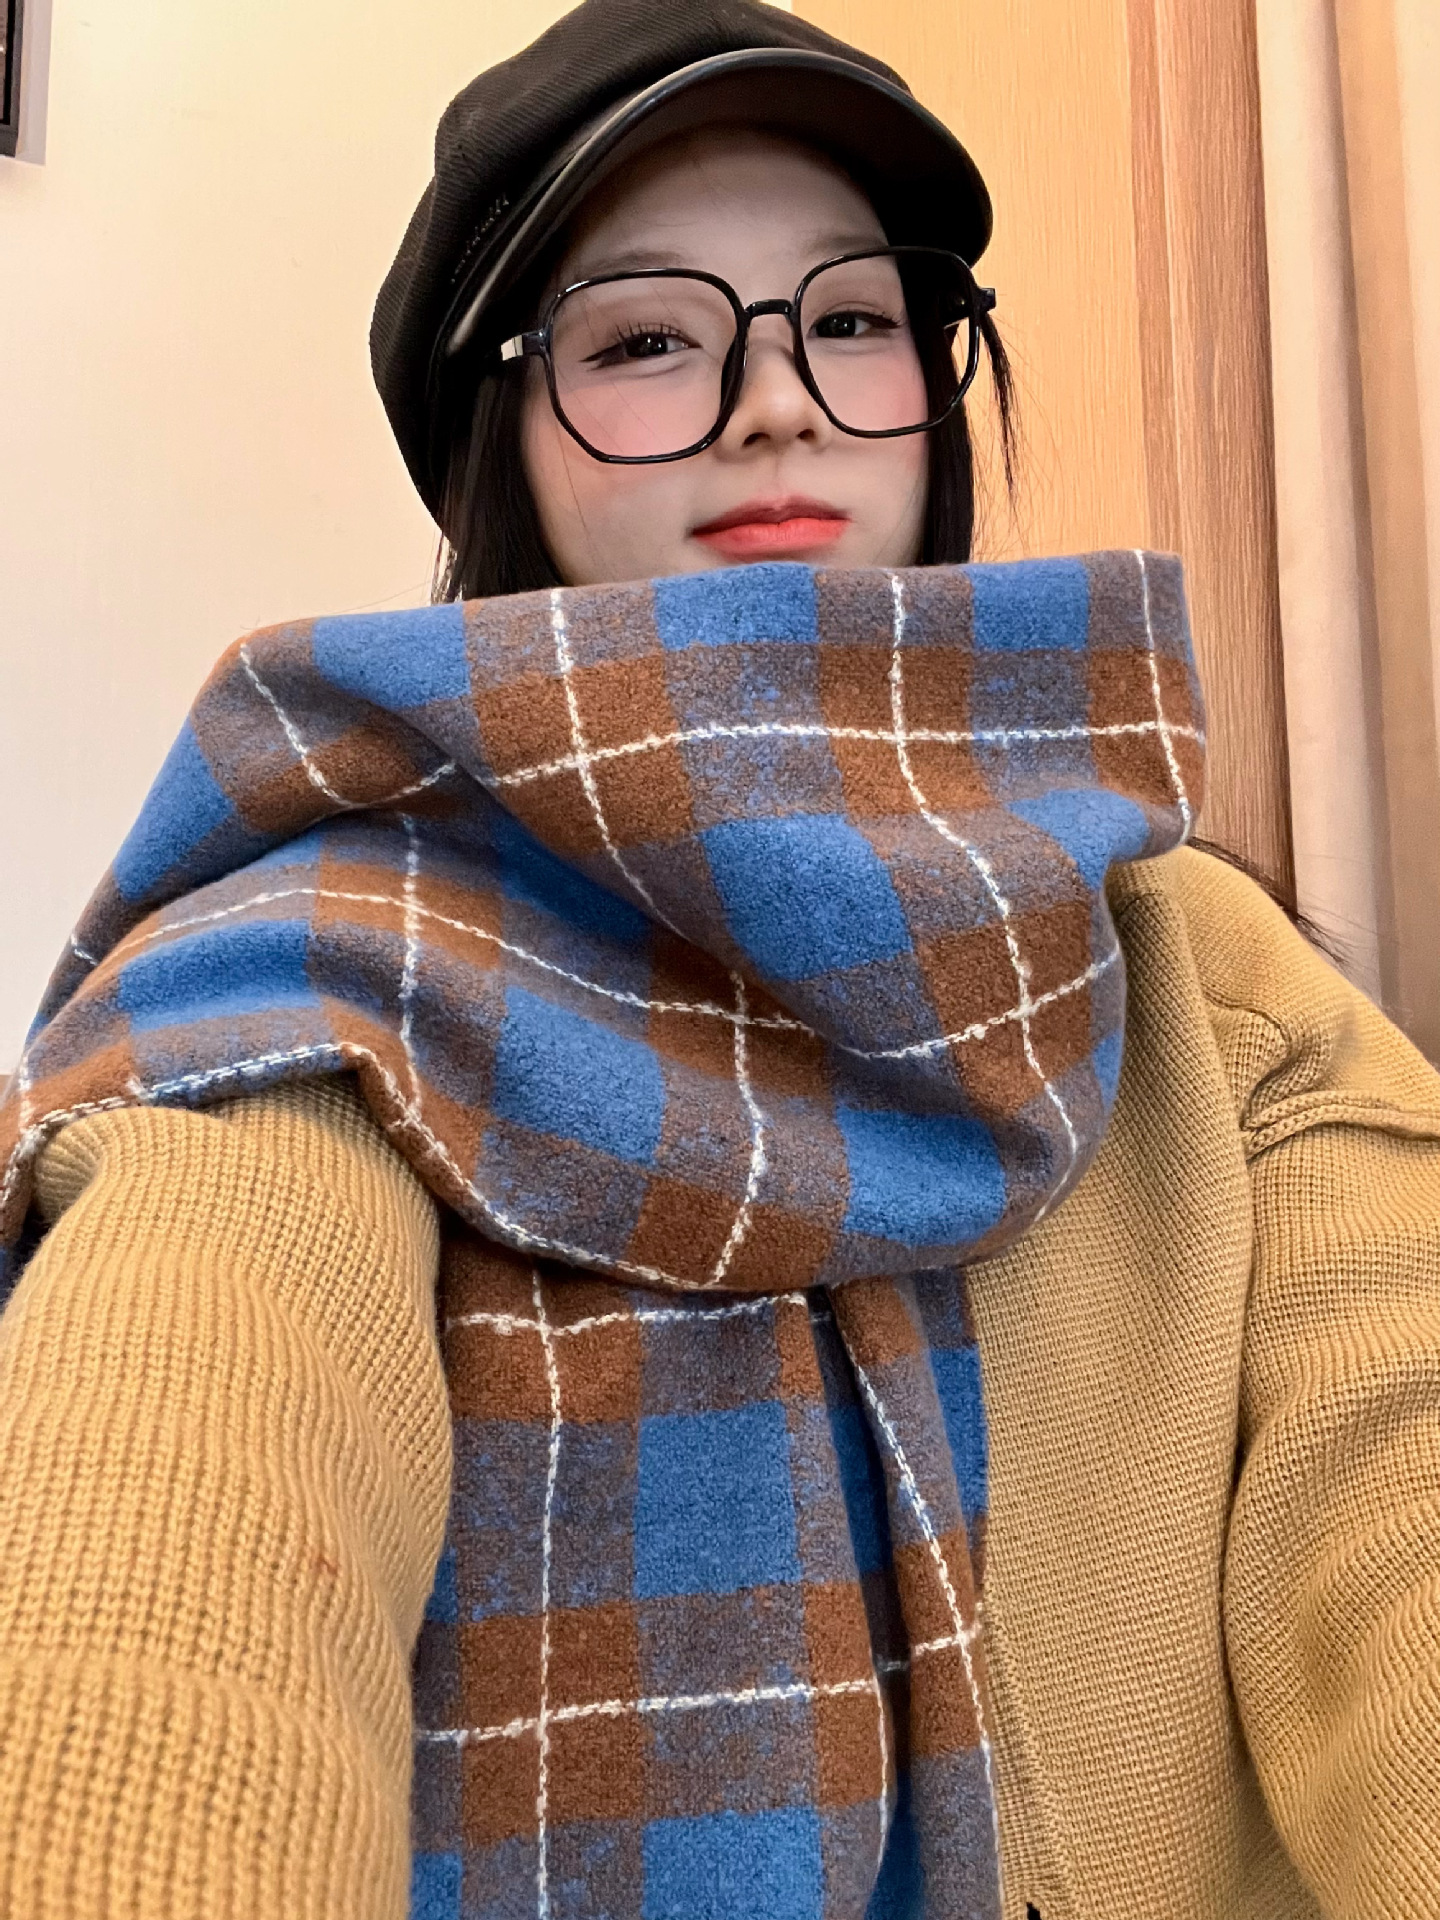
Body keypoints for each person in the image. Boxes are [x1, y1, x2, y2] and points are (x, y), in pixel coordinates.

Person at [2, 3, 1439, 1918]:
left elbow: (1400, 1466)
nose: (777, 401)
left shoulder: (1194, 974)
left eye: (852, 318)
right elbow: (172, 1530)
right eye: (644, 341)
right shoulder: (311, 983)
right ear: (499, 445)